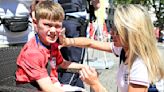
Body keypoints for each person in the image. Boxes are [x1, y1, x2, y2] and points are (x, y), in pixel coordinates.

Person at [59, 4, 164, 92]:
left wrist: (95, 83)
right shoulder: (125, 49)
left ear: (132, 33)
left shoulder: (140, 64)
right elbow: (90, 43)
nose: (111, 33)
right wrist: (67, 41)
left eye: (117, 31)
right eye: (113, 28)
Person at [15, 1, 88, 92]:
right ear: (35, 23)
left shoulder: (52, 45)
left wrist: (84, 67)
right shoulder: (33, 53)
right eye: (47, 25)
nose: (53, 30)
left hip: (52, 84)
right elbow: (47, 88)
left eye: (57, 26)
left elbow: (62, 64)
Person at [57, 0, 100, 88]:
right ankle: (64, 87)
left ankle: (77, 87)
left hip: (61, 19)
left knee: (62, 61)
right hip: (76, 22)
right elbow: (97, 4)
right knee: (74, 64)